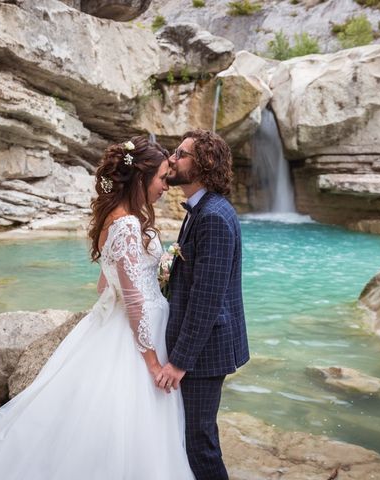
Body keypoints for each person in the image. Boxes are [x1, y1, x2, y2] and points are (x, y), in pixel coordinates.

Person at [0, 136, 195, 480]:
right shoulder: (129, 225)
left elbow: (106, 285)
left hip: (112, 328)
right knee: (130, 422)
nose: (166, 185)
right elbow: (132, 300)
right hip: (133, 340)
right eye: (162, 178)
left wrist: (153, 272)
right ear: (140, 179)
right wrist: (152, 361)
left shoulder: (111, 221)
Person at [155, 129, 250, 480]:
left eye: (181, 154)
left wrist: (179, 362)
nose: (172, 159)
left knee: (199, 440)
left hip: (205, 353)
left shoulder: (212, 217)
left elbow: (207, 299)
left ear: (204, 163)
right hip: (201, 349)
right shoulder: (200, 210)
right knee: (192, 434)